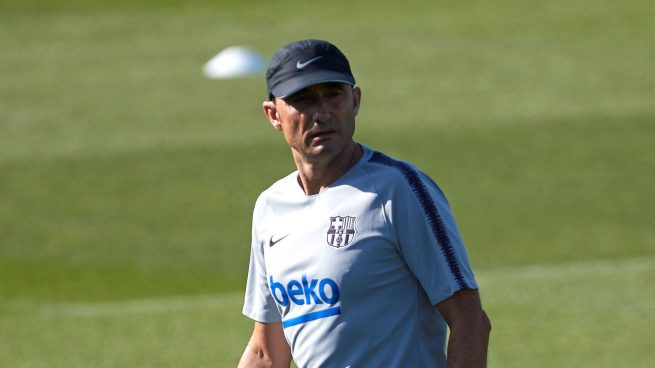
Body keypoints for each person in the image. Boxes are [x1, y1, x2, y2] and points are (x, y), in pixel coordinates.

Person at [238, 39, 491, 368]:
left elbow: (469, 320)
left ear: (354, 100)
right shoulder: (271, 207)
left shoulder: (398, 189)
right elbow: (267, 351)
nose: (322, 114)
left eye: (333, 95)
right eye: (302, 100)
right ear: (273, 114)